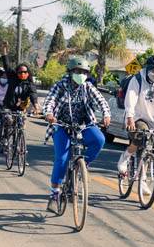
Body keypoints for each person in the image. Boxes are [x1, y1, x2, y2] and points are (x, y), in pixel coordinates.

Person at [42, 55, 112, 212]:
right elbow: (49, 101)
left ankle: (83, 165)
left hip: (83, 124)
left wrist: (106, 114)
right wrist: (48, 114)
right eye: (77, 71)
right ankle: (54, 196)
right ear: (70, 72)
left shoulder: (87, 87)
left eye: (84, 72)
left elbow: (101, 100)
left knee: (99, 139)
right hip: (62, 125)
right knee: (62, 158)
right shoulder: (60, 85)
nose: (81, 74)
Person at [117, 54, 154, 177]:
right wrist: (130, 118)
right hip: (137, 117)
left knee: (147, 150)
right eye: (153, 70)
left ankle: (142, 180)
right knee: (140, 135)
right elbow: (130, 99)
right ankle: (126, 156)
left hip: (153, 121)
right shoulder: (137, 79)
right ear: (147, 68)